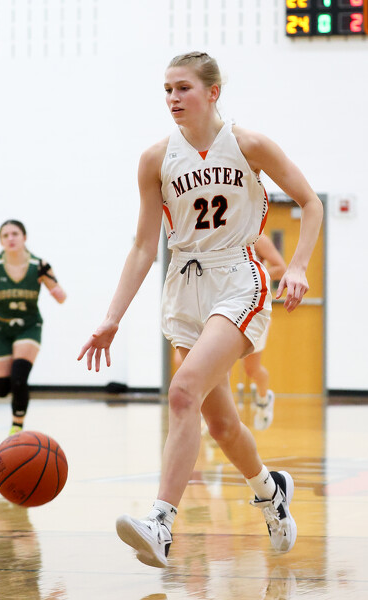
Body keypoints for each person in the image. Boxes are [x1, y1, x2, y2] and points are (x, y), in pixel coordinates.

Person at [78, 51, 323, 568]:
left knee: (182, 391)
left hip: (237, 277)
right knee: (222, 425)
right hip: (184, 286)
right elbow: (143, 247)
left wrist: (298, 265)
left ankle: (161, 523)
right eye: (167, 90)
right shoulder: (155, 159)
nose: (172, 98)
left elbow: (311, 202)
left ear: (213, 92)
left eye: (183, 88)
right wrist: (111, 318)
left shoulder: (249, 144)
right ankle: (271, 492)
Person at [0, 220, 66, 435]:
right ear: (1, 241)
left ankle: (17, 426)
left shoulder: (40, 265)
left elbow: (61, 296)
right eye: (5, 235)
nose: (10, 238)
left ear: (24, 237)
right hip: (0, 329)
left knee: (19, 376)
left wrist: (57, 292)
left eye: (15, 233)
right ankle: (15, 396)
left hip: (29, 327)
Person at [241, 233, 287, 430]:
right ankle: (217, 419)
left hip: (254, 311)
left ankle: (263, 398)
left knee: (251, 369)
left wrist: (251, 276)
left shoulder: (257, 237)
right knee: (221, 367)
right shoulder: (222, 233)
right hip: (226, 309)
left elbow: (281, 268)